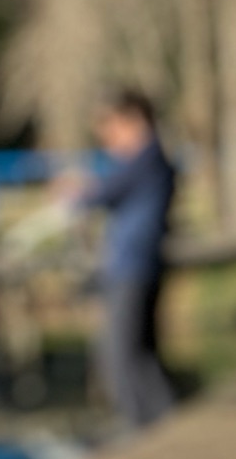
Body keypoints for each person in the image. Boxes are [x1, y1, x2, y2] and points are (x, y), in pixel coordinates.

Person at [66, 89, 177, 429]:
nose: (107, 141)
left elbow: (99, 193)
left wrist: (75, 191)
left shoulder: (147, 161)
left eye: (111, 130)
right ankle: (155, 427)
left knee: (121, 357)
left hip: (134, 269)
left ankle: (149, 430)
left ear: (134, 121)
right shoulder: (146, 164)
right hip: (131, 268)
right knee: (135, 356)